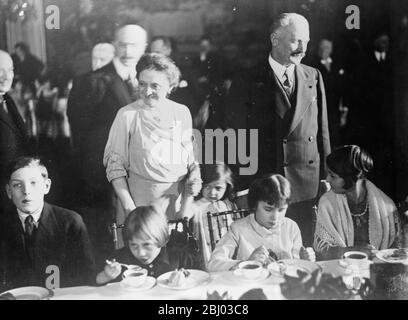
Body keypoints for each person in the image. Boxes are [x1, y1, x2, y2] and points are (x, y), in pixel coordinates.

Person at [247, 13, 331, 247]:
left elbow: (322, 131)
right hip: (268, 184)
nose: (303, 48)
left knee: (304, 250)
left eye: (306, 41)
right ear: (275, 39)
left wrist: (327, 176)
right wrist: (243, 184)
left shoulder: (313, 75)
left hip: (307, 186)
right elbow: (239, 134)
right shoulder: (248, 78)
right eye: (296, 41)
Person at [67, 24, 148, 262]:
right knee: (110, 243)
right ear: (114, 45)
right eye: (122, 43)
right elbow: (81, 138)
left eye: (134, 44)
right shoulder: (91, 81)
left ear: (144, 47)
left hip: (143, 178)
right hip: (105, 182)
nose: (128, 50)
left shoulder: (149, 82)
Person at [103, 53, 201, 221]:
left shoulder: (182, 112)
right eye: (142, 84)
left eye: (155, 86)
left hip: (176, 206)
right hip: (139, 207)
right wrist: (130, 209)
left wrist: (194, 180)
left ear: (170, 86)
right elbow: (115, 167)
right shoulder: (127, 115)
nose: (147, 92)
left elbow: (191, 160)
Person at [0, 157, 95, 289]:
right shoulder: (3, 225)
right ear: (9, 191)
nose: (26, 191)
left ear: (46, 186)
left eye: (33, 183)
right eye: (17, 185)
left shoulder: (70, 222)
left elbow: (86, 276)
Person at [207, 174, 315, 272]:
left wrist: (305, 261)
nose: (275, 217)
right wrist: (247, 263)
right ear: (254, 205)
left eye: (281, 210)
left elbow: (295, 267)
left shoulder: (291, 227)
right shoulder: (238, 229)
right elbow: (213, 264)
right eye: (268, 209)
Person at [313, 145, 401, 260]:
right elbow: (321, 249)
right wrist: (350, 250)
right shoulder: (327, 202)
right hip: (340, 269)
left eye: (332, 176)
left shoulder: (386, 206)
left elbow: (396, 251)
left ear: (352, 177)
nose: (328, 179)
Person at [96, 206, 186, 285]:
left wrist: (183, 278)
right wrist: (106, 276)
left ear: (161, 239)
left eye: (147, 245)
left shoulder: (177, 255)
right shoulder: (121, 258)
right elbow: (91, 282)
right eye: (134, 245)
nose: (141, 253)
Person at [186, 162, 237, 266]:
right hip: (203, 257)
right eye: (207, 187)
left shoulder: (227, 205)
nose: (212, 193)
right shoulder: (196, 206)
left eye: (218, 188)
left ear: (227, 186)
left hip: (224, 256)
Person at [0, 50, 30, 216]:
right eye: (0, 70)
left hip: (14, 193)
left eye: (10, 70)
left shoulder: (8, 99)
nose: (6, 76)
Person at [310, 39, 347, 147]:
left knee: (335, 137)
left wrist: (344, 110)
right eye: (321, 47)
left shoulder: (337, 65)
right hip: (320, 107)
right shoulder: (313, 66)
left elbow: (343, 88)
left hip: (335, 109)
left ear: (331, 49)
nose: (323, 50)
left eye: (326, 47)